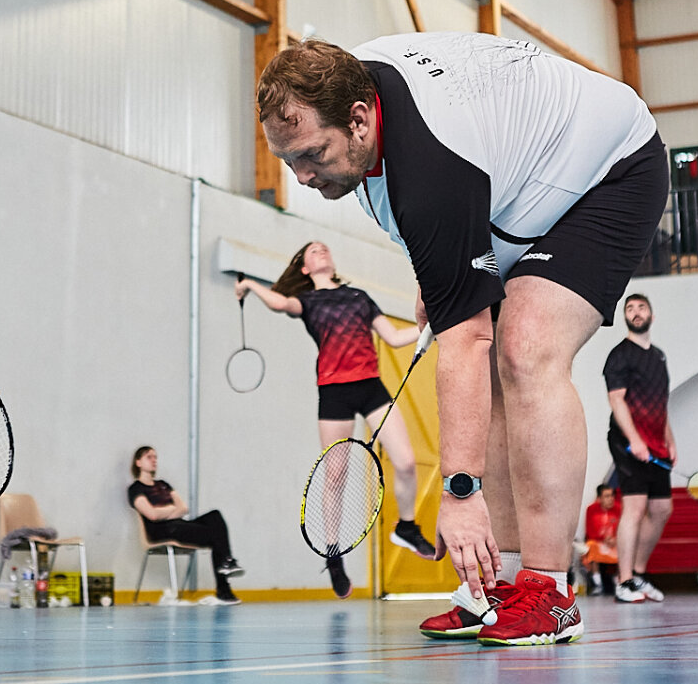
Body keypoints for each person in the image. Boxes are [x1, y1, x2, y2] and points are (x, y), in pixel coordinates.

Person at [256, 33, 668, 647]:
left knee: (524, 346)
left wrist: (460, 491)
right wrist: (443, 280)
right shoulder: (353, 105)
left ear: (360, 120)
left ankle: (551, 592)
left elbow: (466, 339)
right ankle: (497, 586)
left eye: (312, 154)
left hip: (611, 171)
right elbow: (445, 245)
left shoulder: (429, 164)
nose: (302, 176)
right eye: (287, 160)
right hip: (517, 183)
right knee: (494, 364)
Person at [237, 242, 439, 600]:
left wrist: (433, 327)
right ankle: (333, 554)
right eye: (313, 251)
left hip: (371, 387)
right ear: (304, 268)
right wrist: (250, 284)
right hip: (334, 393)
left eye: (325, 248)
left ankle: (406, 527)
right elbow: (280, 303)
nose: (322, 251)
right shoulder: (307, 302)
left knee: (407, 462)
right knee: (334, 476)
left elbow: (394, 338)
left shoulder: (359, 297)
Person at [603, 293, 676, 604]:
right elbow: (616, 400)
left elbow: (660, 402)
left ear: (651, 315)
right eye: (629, 308)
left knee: (661, 510)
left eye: (641, 307)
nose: (635, 312)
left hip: (656, 445)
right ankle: (624, 581)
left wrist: (669, 439)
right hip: (626, 442)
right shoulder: (620, 355)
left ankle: (639, 573)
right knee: (634, 508)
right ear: (625, 317)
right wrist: (634, 439)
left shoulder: (659, 357)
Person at [128, 446, 244, 604]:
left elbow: (183, 508)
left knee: (214, 517)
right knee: (216, 535)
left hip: (179, 526)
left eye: (155, 457)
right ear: (138, 462)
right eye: (149, 457)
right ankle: (225, 585)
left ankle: (226, 564)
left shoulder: (163, 485)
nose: (154, 460)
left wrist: (165, 512)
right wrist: (171, 509)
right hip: (161, 532)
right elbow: (152, 515)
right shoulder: (135, 489)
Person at [581, 484, 622, 597]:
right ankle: (597, 584)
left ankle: (620, 582)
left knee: (625, 547)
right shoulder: (591, 509)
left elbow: (623, 529)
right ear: (599, 498)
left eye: (612, 495)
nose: (611, 499)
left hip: (615, 542)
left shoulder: (619, 508)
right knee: (591, 546)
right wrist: (604, 539)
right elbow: (589, 532)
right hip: (598, 542)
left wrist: (615, 539)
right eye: (607, 496)